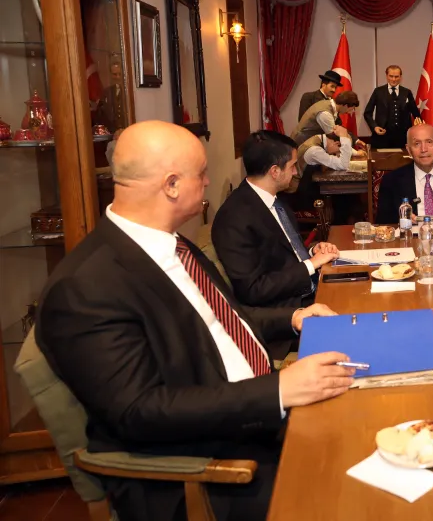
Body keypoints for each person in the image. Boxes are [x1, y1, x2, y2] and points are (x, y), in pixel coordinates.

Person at [35, 121, 351, 521]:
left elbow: (227, 320)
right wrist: (276, 390)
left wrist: (293, 317)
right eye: (201, 173)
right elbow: (138, 411)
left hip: (254, 417)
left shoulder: (174, 244)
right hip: (203, 470)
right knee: (353, 496)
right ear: (171, 185)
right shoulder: (84, 287)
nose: (208, 182)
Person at [213, 131, 340, 310]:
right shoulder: (234, 218)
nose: (295, 172)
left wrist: (313, 252)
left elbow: (286, 252)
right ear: (275, 171)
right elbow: (253, 289)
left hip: (311, 289)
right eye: (292, 166)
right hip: (291, 308)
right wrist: (311, 264)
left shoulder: (274, 200)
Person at [375, 123, 433, 224]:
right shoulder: (392, 181)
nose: (424, 149)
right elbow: (383, 223)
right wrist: (402, 221)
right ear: (409, 150)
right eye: (417, 144)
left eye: (429, 142)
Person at [364, 64, 421, 149]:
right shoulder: (378, 91)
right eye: (391, 76)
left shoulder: (407, 92)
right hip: (382, 137)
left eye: (396, 76)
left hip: (403, 138)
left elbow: (416, 114)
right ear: (386, 76)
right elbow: (367, 113)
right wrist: (374, 127)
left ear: (400, 77)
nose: (393, 79)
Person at [291, 91, 360, 145]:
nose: (349, 112)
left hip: (307, 143)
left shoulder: (329, 105)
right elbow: (334, 137)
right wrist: (355, 152)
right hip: (300, 144)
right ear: (345, 105)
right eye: (351, 109)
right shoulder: (325, 113)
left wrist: (356, 141)